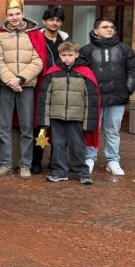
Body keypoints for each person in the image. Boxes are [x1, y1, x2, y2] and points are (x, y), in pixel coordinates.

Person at [80, 17, 135, 176]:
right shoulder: (86, 50)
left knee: (112, 130)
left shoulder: (124, 49)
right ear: (95, 31)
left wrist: (128, 90)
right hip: (94, 98)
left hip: (117, 97)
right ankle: (89, 158)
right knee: (91, 129)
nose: (110, 29)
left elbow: (133, 70)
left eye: (112, 27)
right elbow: (80, 73)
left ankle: (113, 160)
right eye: (105, 27)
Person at [0, 0, 44, 178]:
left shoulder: (34, 35)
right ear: (6, 17)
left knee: (26, 128)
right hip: (6, 86)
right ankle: (5, 164)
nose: (14, 17)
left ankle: (25, 165)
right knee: (3, 126)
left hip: (26, 86)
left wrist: (21, 78)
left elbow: (38, 61)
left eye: (17, 13)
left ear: (23, 14)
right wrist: (10, 80)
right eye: (10, 14)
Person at [37, 41, 99, 184]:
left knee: (77, 146)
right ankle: (59, 172)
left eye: (70, 55)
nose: (66, 58)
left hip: (76, 117)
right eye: (63, 55)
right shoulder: (52, 73)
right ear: (59, 55)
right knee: (58, 145)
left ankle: (82, 173)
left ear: (77, 55)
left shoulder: (85, 73)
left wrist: (89, 121)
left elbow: (92, 99)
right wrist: (44, 121)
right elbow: (44, 98)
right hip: (56, 116)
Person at [32, 6, 69, 173]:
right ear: (44, 21)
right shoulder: (36, 39)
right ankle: (37, 160)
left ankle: (56, 162)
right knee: (42, 127)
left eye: (58, 20)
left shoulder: (65, 42)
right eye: (52, 19)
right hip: (42, 88)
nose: (55, 23)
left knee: (59, 126)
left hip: (61, 90)